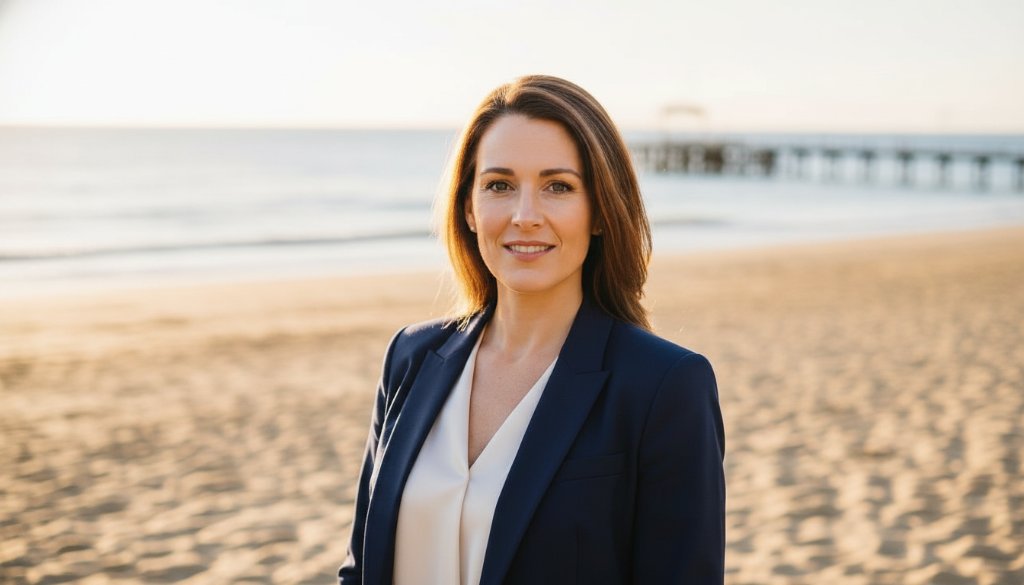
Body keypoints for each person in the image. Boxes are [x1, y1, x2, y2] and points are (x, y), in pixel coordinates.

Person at [338, 75, 725, 585]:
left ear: (601, 212)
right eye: (499, 185)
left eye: (558, 187)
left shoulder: (665, 385)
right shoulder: (410, 356)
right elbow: (362, 567)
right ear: (469, 208)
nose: (525, 216)